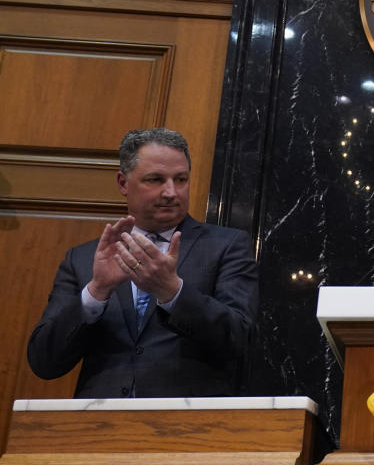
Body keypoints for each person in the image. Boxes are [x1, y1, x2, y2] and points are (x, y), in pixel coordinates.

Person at [27, 128, 259, 398]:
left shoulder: (227, 246)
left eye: (181, 179)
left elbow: (241, 340)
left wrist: (173, 293)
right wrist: (96, 292)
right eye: (156, 180)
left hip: (190, 428)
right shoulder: (81, 259)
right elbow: (44, 361)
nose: (171, 192)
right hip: (98, 429)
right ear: (123, 183)